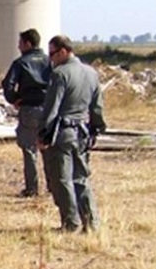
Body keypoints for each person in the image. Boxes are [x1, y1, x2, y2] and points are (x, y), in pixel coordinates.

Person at [38, 35, 107, 233]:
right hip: (83, 132)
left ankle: (71, 223)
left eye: (52, 54)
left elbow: (51, 109)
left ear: (63, 51)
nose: (50, 59)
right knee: (81, 178)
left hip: (63, 134)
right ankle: (91, 223)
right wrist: (96, 128)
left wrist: (43, 134)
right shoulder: (91, 73)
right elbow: (97, 107)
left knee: (62, 180)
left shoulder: (60, 74)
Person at [2, 28, 50, 198]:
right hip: (49, 109)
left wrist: (14, 99)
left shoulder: (21, 63)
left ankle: (32, 188)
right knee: (48, 148)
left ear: (28, 44)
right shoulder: (50, 61)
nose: (18, 45)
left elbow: (8, 84)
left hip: (29, 109)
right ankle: (53, 186)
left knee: (30, 149)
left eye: (20, 42)